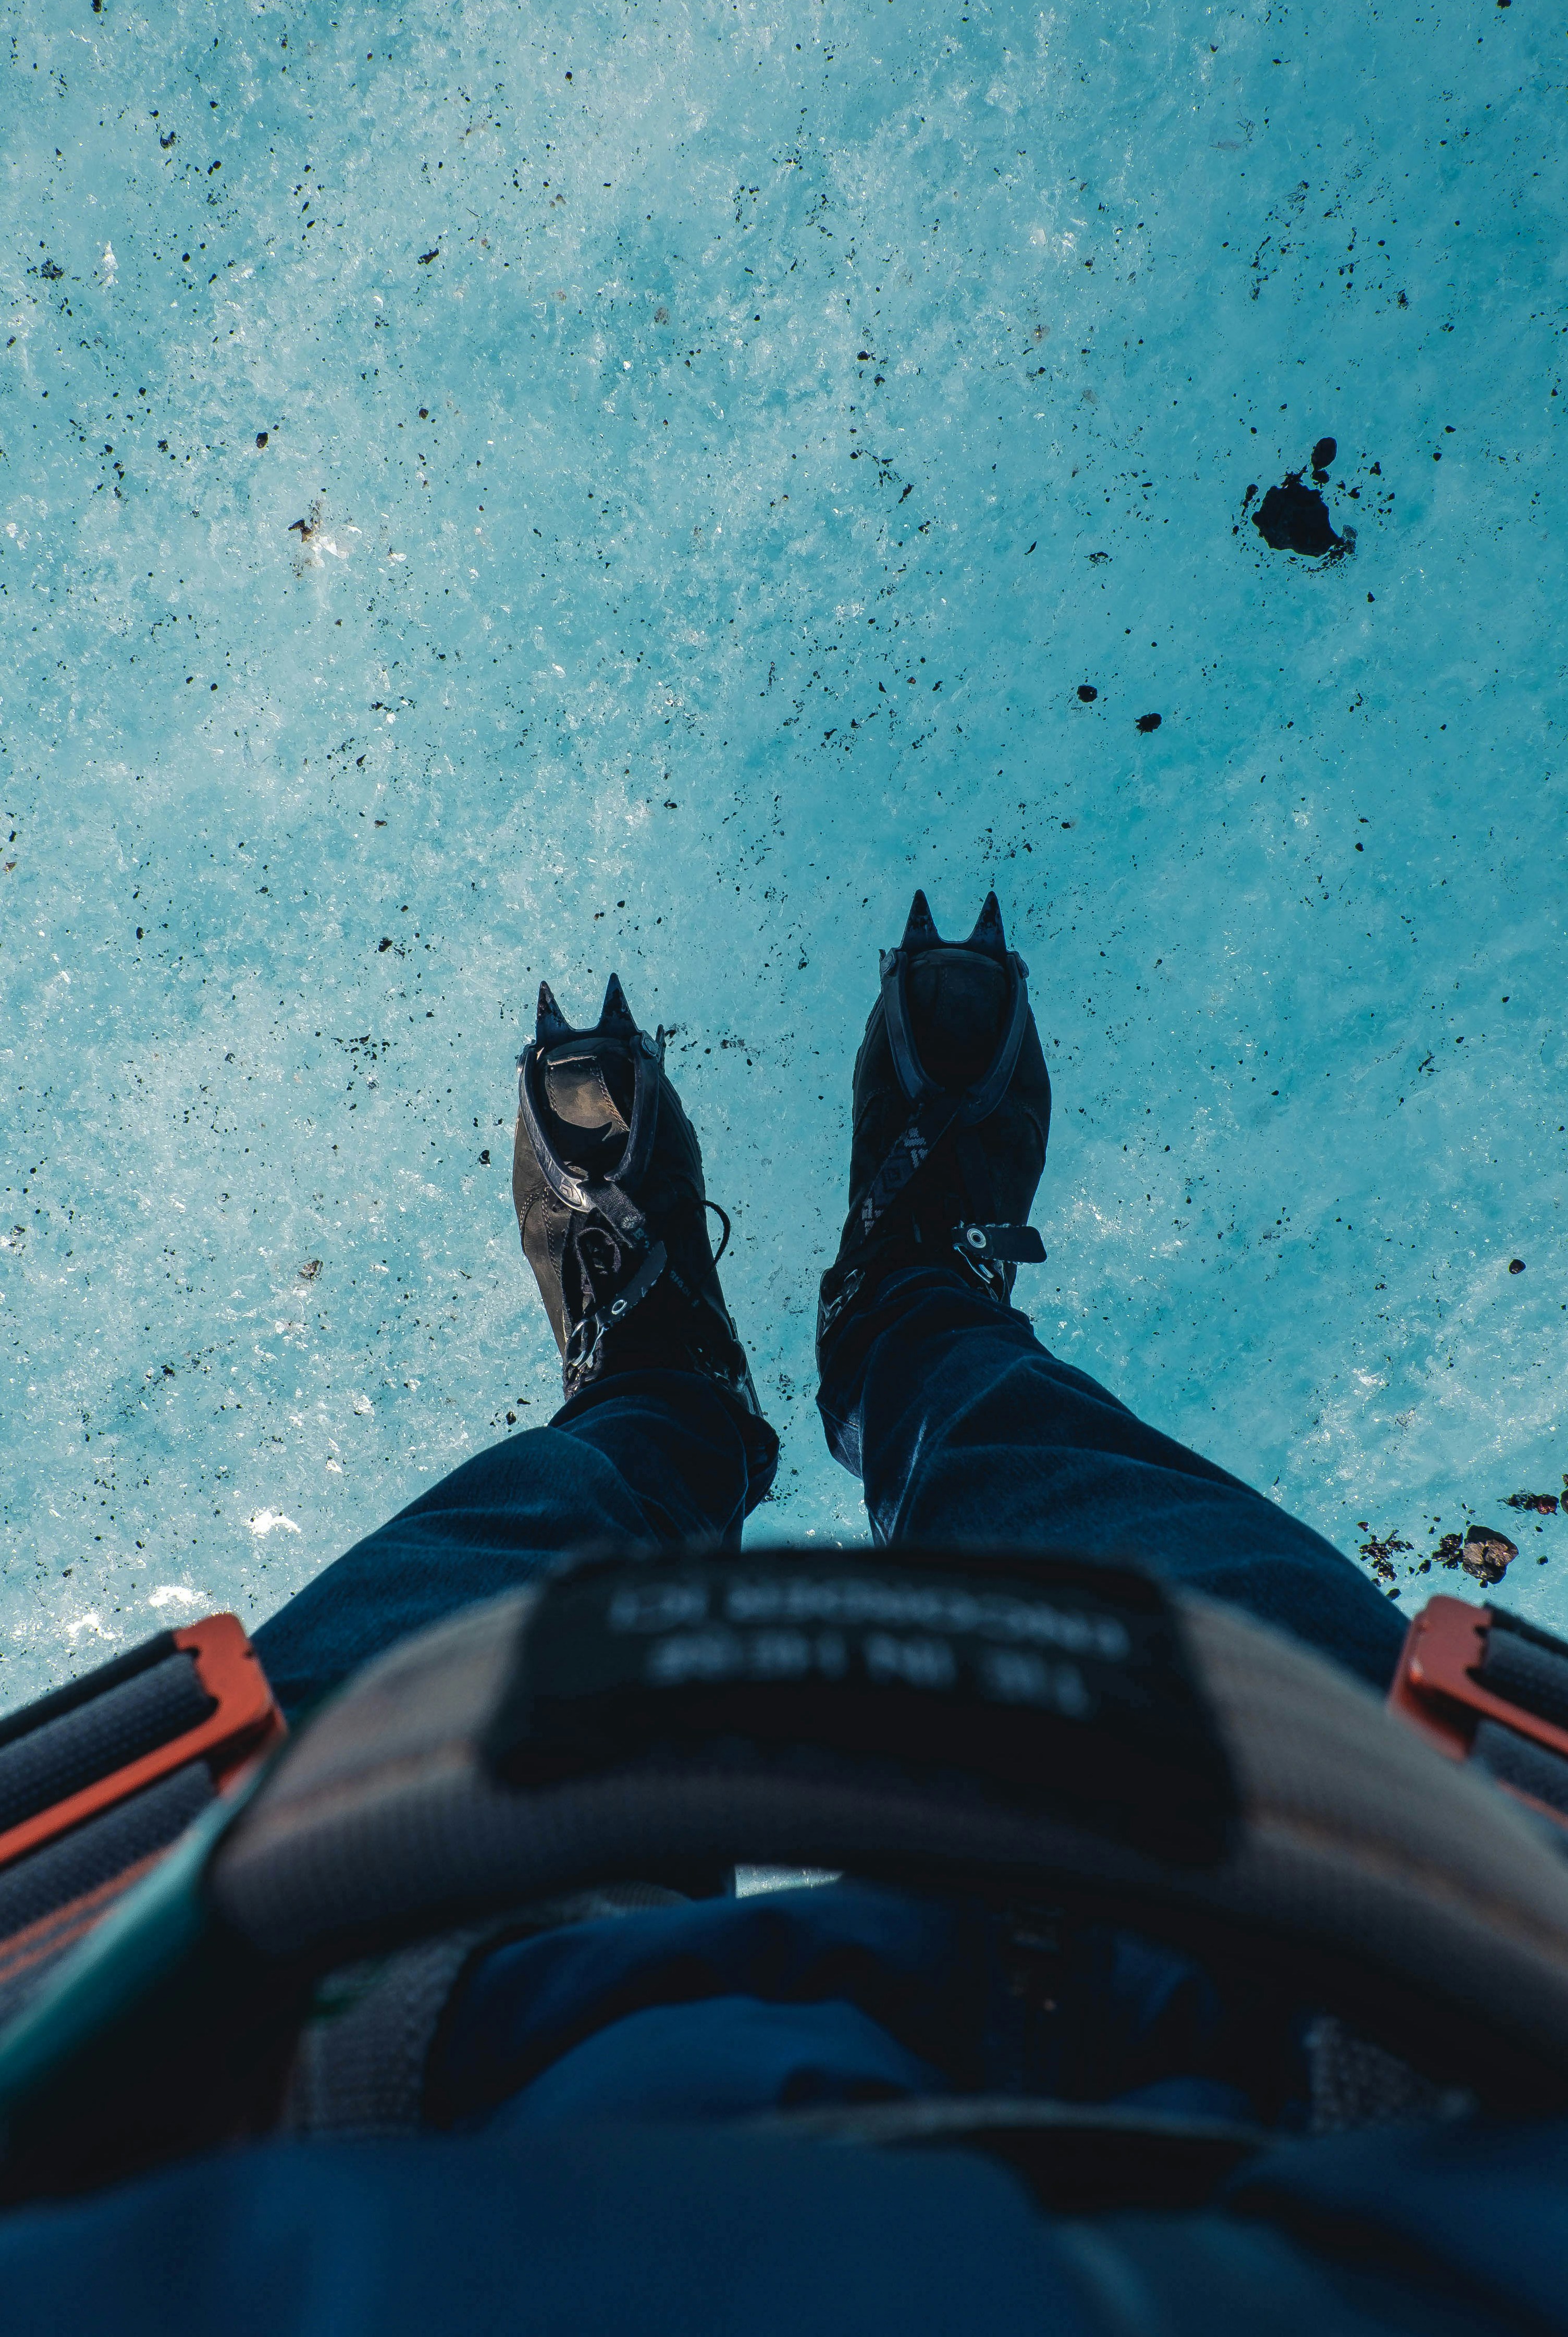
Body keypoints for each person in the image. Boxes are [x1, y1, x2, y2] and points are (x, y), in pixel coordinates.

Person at [0, 895, 1559, 2336]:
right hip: (1370, 2069)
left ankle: (664, 1384)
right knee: (1068, 1489)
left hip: (307, 2117)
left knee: (519, 1556)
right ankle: (912, 1310)